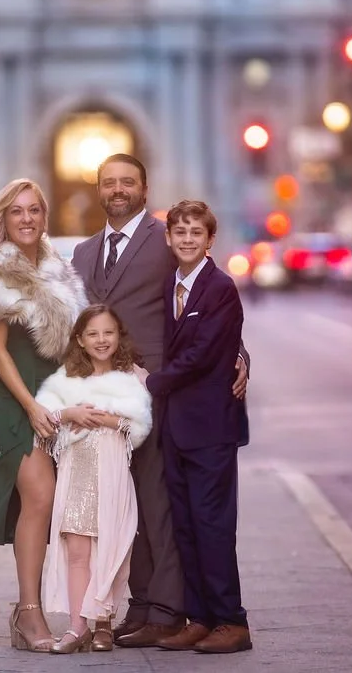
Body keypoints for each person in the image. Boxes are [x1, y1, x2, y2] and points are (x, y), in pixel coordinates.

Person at [70, 153, 249, 647]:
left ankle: (168, 609)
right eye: (110, 183)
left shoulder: (164, 239)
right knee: (120, 504)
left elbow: (204, 301)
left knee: (157, 504)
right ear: (99, 189)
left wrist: (239, 354)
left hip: (156, 394)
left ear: (144, 189)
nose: (118, 190)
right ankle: (140, 603)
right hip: (102, 398)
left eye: (128, 182)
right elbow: (69, 322)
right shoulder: (83, 253)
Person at [0, 178, 88, 652]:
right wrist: (32, 407)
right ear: (4, 219)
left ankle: (32, 610)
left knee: (50, 503)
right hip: (17, 401)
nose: (27, 219)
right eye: (17, 212)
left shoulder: (58, 269)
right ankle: (30, 613)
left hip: (57, 398)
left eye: (35, 210)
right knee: (40, 495)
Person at [146, 200, 251, 654]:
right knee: (185, 526)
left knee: (213, 525)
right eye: (180, 232)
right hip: (175, 427)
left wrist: (149, 382)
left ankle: (232, 620)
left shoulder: (220, 288)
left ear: (210, 240)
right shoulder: (170, 283)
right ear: (169, 239)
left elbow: (203, 352)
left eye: (196, 233)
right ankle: (199, 616)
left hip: (210, 427)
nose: (187, 240)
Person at [35, 304, 153, 654]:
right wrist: (67, 413)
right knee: (77, 551)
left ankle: (104, 623)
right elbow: (44, 419)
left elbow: (141, 429)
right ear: (80, 341)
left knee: (110, 548)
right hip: (75, 474)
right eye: (93, 334)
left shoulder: (134, 378)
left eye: (108, 332)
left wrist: (108, 421)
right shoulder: (66, 379)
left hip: (112, 473)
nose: (101, 340)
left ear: (119, 336)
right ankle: (77, 627)